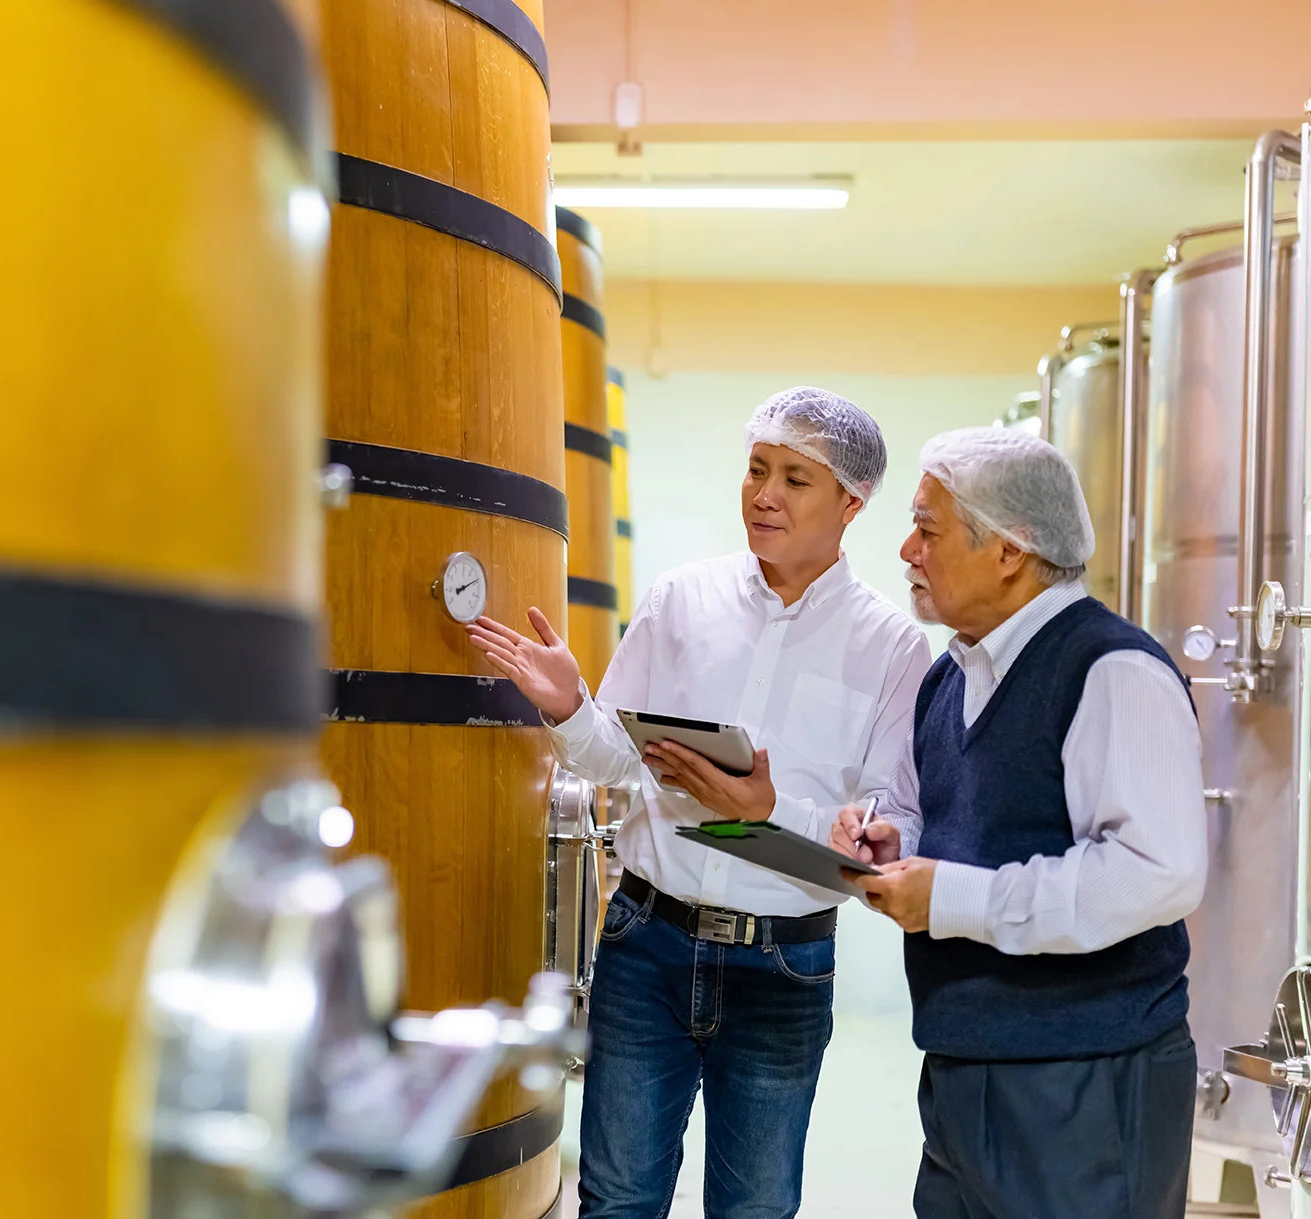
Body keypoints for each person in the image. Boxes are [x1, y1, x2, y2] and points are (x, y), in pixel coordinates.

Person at [469, 388, 932, 1219]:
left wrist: (772, 809)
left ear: (851, 504)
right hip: (645, 942)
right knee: (614, 1200)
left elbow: (893, 822)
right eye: (757, 469)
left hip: (784, 967)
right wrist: (571, 707)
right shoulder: (680, 599)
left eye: (795, 478)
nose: (764, 493)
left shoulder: (892, 646)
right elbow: (621, 759)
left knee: (753, 1209)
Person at [830, 427, 1206, 1219]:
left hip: (1085, 1080)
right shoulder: (948, 677)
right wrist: (897, 841)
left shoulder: (1112, 670)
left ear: (1008, 550)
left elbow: (1155, 871)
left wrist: (950, 897)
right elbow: (963, 824)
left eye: (926, 529)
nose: (904, 549)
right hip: (964, 1067)